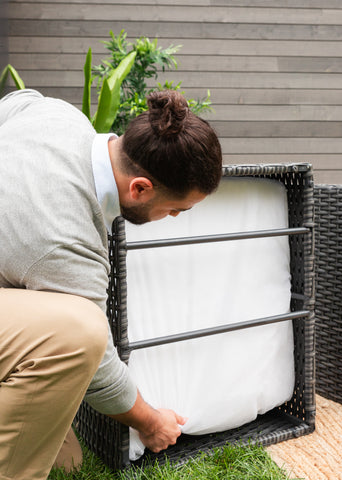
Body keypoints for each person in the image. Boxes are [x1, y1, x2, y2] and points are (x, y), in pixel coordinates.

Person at [0, 88, 222, 480]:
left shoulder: (55, 113)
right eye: (175, 209)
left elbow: (13, 99)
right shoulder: (65, 243)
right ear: (139, 188)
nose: (172, 218)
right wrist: (151, 422)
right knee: (78, 331)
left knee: (66, 459)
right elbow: (97, 360)